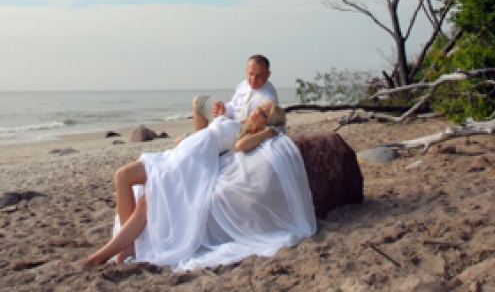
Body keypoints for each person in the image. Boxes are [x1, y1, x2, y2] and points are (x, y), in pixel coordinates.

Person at [70, 101, 316, 271]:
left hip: (192, 163)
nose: (256, 112)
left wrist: (268, 131)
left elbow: (240, 147)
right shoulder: (236, 119)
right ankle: (125, 246)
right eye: (258, 108)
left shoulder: (248, 132)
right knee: (123, 177)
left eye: (263, 113)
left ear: (266, 122)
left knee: (146, 200)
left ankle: (101, 257)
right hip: (180, 153)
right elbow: (202, 117)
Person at [192, 54, 279, 132]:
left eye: (258, 76)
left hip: (238, 130)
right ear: (246, 70)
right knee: (198, 101)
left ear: (268, 74)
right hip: (228, 119)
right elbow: (234, 106)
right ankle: (200, 137)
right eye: (251, 74)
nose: (253, 79)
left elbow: (271, 127)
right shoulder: (243, 85)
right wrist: (224, 109)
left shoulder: (268, 98)